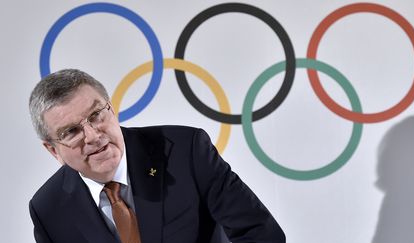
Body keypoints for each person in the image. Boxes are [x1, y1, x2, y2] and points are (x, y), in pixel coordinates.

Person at [28, 69, 285, 243]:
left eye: (97, 115)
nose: (93, 135)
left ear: (112, 110)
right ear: (53, 150)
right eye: (72, 131)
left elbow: (261, 234)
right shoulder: (48, 208)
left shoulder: (186, 150)